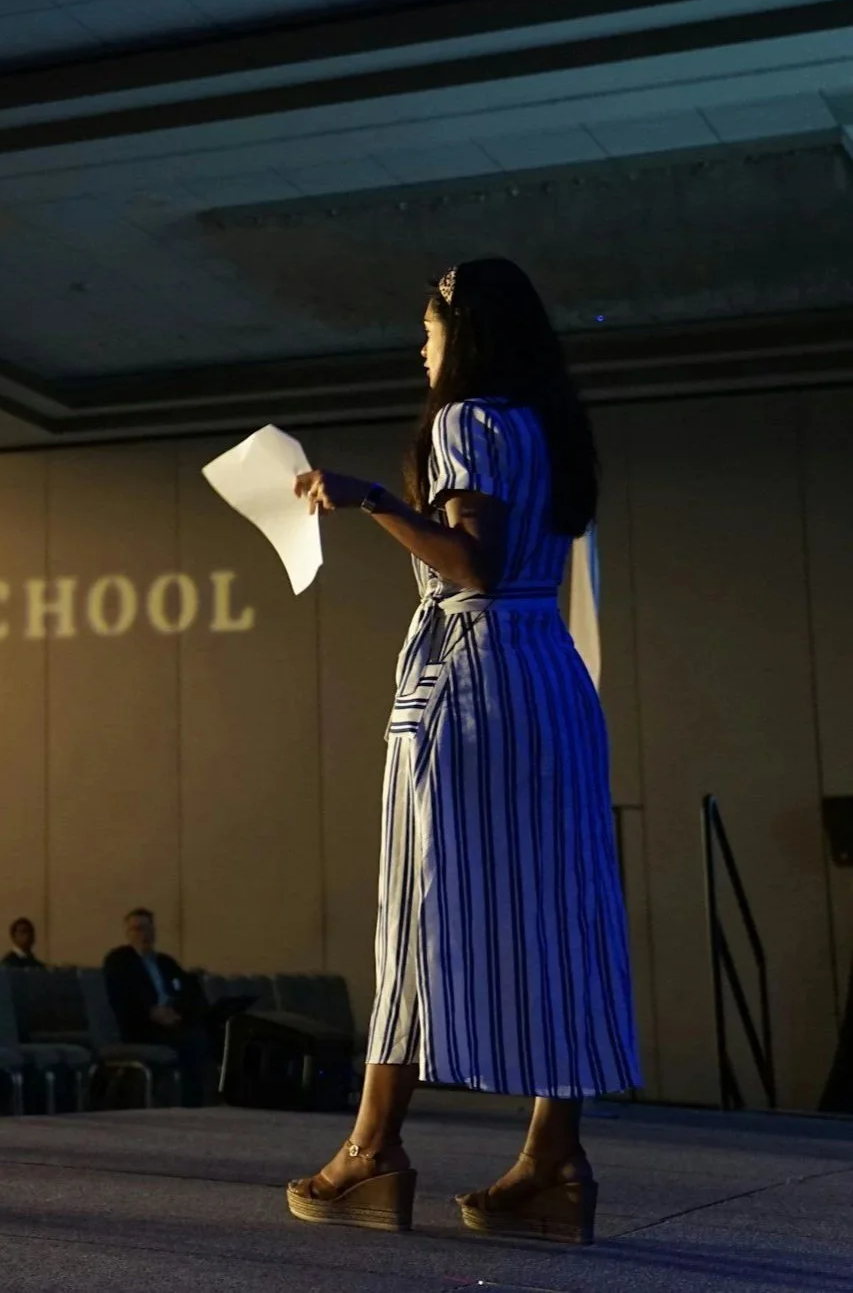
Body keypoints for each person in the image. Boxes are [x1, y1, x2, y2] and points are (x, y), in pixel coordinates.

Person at [286, 259, 640, 1244]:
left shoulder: (463, 422)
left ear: (466, 328)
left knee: (418, 904)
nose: (421, 341)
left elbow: (471, 561)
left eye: (429, 322)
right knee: (565, 909)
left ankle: (371, 1149)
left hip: (471, 676)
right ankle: (552, 1158)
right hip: (549, 674)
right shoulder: (552, 427)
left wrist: (371, 500)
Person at [103, 908, 213, 1107]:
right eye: (136, 929)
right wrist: (151, 1012)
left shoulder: (166, 962)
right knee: (192, 1041)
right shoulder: (119, 961)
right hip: (142, 1025)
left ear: (154, 931)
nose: (142, 934)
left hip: (173, 1019)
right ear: (127, 934)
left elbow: (188, 992)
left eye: (146, 928)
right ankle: (192, 1104)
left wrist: (177, 1012)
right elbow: (120, 999)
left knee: (208, 1032)